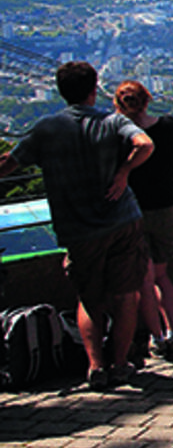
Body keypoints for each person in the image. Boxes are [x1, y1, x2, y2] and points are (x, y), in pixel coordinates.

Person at [0, 61, 152, 389]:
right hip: (122, 219)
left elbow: (9, 165)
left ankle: (96, 365)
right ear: (93, 89)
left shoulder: (46, 129)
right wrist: (123, 173)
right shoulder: (111, 121)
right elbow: (145, 145)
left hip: (78, 227)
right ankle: (122, 363)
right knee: (126, 295)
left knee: (89, 298)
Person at [114, 80, 173, 362]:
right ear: (147, 99)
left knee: (143, 279)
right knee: (161, 274)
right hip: (166, 206)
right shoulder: (169, 125)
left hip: (133, 211)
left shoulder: (120, 135)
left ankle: (157, 337)